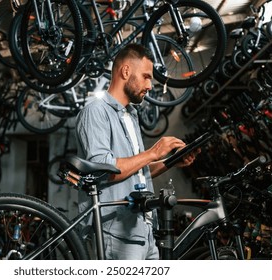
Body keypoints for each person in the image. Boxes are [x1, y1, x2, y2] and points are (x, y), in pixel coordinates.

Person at [75, 43, 199, 260]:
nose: (150, 85)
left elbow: (137, 170)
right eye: (146, 76)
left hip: (145, 230)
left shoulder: (130, 115)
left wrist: (170, 161)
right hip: (116, 232)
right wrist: (153, 152)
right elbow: (104, 171)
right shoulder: (95, 112)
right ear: (125, 71)